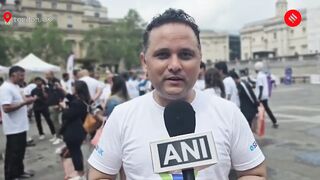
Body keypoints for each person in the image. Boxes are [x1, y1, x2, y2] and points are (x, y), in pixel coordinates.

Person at [88, 9, 266, 180]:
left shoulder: (229, 113)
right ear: (144, 62)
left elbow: (254, 173)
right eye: (163, 54)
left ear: (199, 59)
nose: (174, 65)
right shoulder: (121, 117)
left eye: (185, 54)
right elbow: (100, 176)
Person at [0, 66, 37, 180]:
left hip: (21, 126)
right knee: (13, 154)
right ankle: (11, 176)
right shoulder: (5, 88)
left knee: (20, 152)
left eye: (23, 75)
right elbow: (6, 108)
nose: (23, 78)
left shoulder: (16, 86)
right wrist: (24, 103)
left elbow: (21, 101)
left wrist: (27, 101)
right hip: (13, 127)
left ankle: (19, 172)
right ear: (13, 75)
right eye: (21, 75)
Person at [58, 81, 90, 180]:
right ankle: (78, 174)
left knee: (75, 153)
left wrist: (64, 107)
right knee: (75, 152)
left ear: (77, 89)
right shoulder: (83, 100)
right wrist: (62, 90)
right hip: (79, 131)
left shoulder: (77, 103)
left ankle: (81, 175)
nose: (72, 89)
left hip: (73, 132)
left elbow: (68, 115)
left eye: (73, 87)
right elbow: (71, 97)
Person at [254, 62, 279, 128]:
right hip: (265, 95)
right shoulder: (263, 75)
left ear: (256, 69)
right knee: (267, 109)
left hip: (261, 96)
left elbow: (261, 87)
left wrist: (258, 98)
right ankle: (275, 122)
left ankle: (256, 124)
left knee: (255, 109)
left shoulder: (259, 76)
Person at [45, 71, 65, 144]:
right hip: (50, 104)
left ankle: (60, 137)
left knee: (56, 121)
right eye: (45, 75)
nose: (46, 76)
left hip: (55, 105)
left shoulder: (56, 82)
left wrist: (59, 104)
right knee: (53, 121)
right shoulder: (48, 83)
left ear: (52, 75)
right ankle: (57, 135)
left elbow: (60, 93)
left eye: (47, 74)